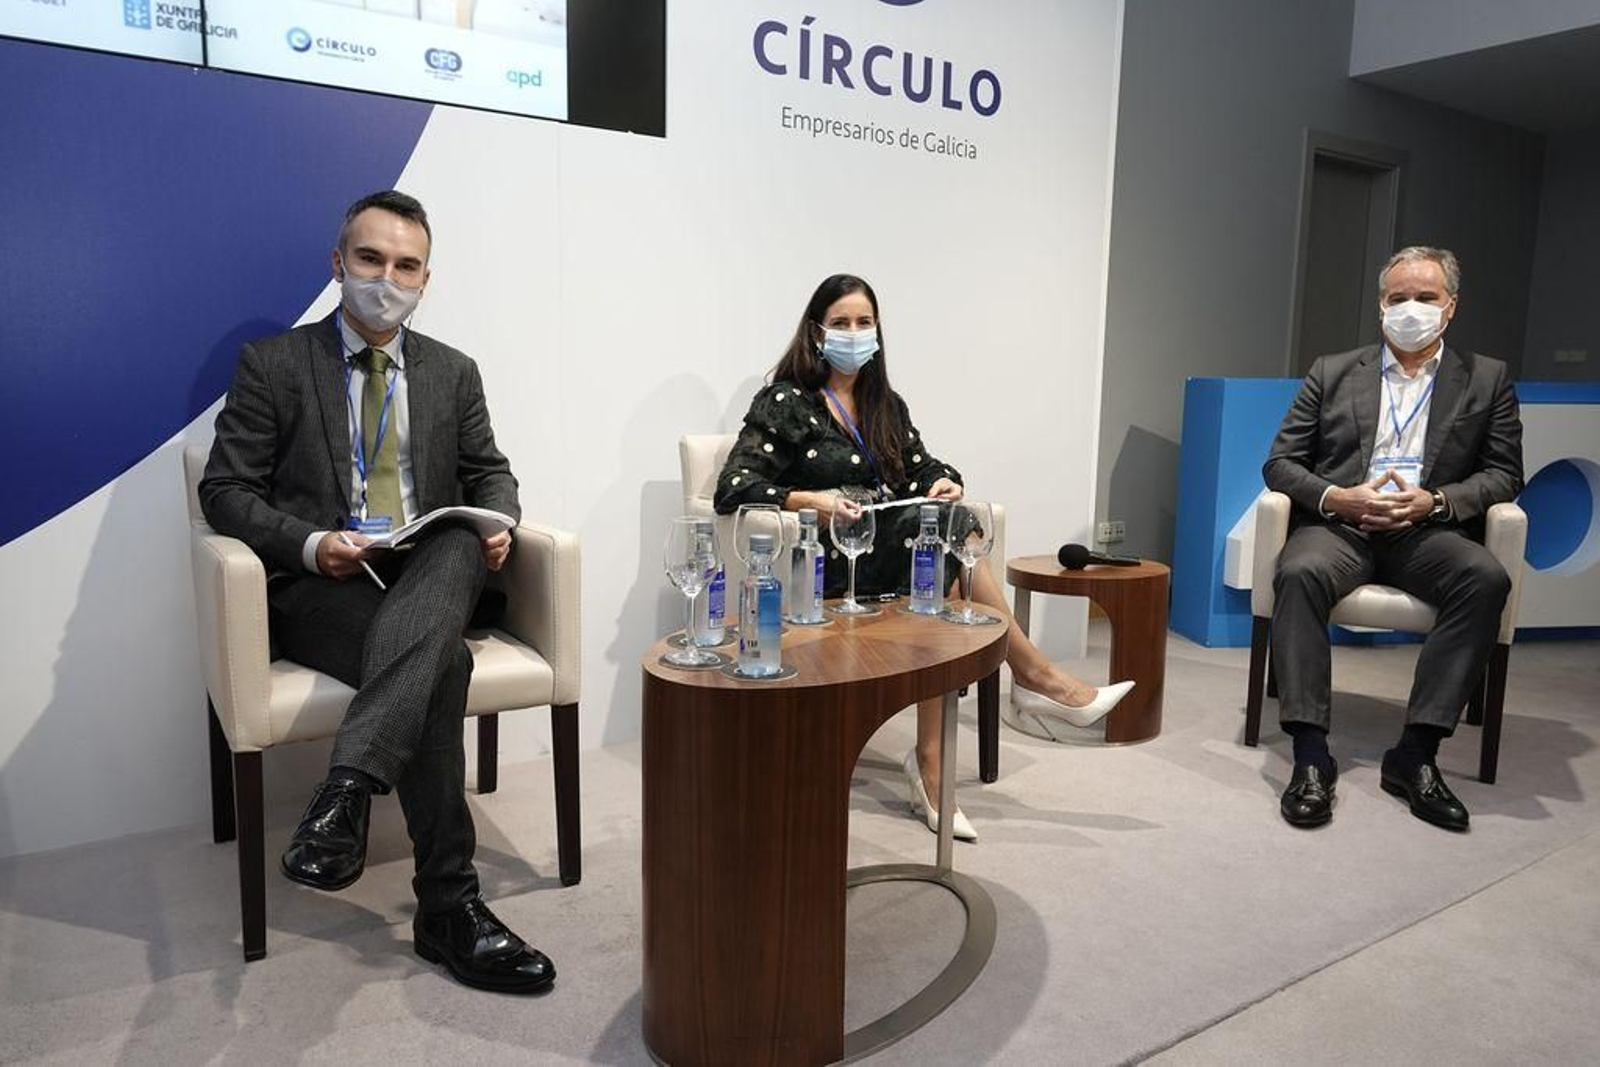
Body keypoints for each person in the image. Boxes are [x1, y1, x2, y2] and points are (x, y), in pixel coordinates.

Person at [198, 191, 555, 992]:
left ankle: (346, 790)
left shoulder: (452, 371)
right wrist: (312, 542)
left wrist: (499, 516)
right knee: (444, 667)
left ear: (427, 278)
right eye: (370, 259)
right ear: (338, 264)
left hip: (424, 567)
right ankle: (450, 909)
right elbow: (224, 490)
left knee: (461, 540)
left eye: (406, 266)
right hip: (324, 585)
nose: (386, 280)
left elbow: (489, 469)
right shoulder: (274, 364)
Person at [714, 273, 1134, 842]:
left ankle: (940, 760)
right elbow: (733, 486)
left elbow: (926, 466)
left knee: (945, 552)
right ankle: (1029, 684)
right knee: (942, 553)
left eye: (864, 322)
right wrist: (809, 501)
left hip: (898, 550)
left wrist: (943, 483)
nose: (854, 333)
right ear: (816, 333)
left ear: (878, 331)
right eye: (841, 323)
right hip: (831, 562)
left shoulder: (885, 404)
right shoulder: (786, 401)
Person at [1263, 246, 1523, 832]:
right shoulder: (1332, 370)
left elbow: (1505, 473)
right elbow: (1281, 465)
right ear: (1380, 305)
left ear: (1449, 307)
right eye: (1397, 297)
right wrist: (1339, 496)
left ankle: (1415, 754)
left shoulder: (1486, 378)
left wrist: (1436, 501)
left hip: (1424, 531)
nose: (1410, 308)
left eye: (1425, 297)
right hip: (1341, 527)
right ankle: (1310, 756)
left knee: (1486, 578)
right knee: (1298, 571)